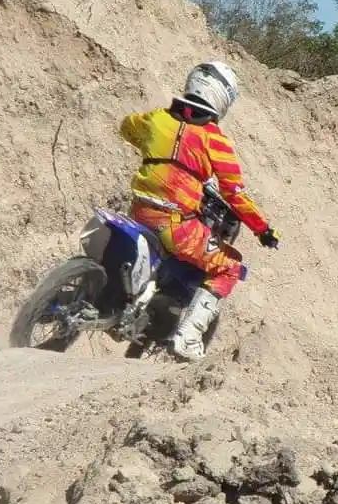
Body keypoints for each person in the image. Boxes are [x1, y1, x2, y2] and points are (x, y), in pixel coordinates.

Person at [117, 61, 280, 361]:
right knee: (229, 265)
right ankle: (188, 337)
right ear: (222, 97)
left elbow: (127, 127)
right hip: (176, 225)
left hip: (139, 210)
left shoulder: (157, 118)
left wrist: (155, 149)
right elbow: (235, 194)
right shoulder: (214, 140)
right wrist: (263, 230)